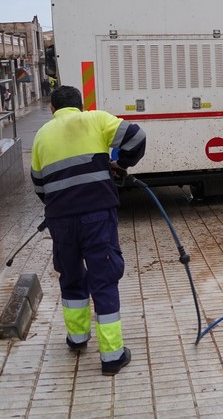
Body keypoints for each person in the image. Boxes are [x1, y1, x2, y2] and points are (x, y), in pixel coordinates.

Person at [30, 85, 146, 375]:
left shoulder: (41, 134)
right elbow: (136, 137)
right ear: (80, 106)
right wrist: (120, 164)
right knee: (103, 280)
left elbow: (39, 185)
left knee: (71, 276)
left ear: (52, 109)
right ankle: (112, 356)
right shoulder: (96, 119)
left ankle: (78, 338)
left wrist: (62, 204)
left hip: (61, 221)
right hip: (97, 217)